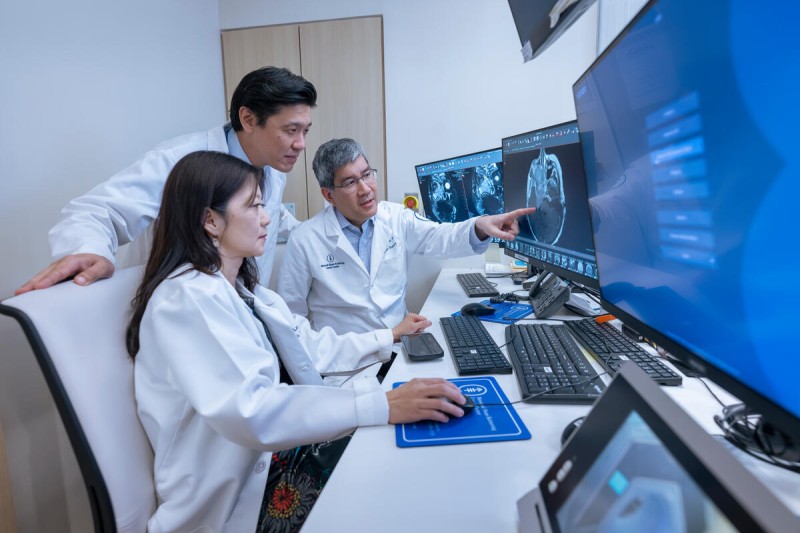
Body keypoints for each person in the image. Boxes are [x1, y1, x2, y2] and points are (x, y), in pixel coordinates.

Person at [127, 151, 466, 533]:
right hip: (240, 497)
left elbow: (313, 346)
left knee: (414, 441)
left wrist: (388, 338)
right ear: (210, 220)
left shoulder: (245, 293)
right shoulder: (187, 299)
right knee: (398, 483)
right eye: (254, 206)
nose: (267, 217)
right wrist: (380, 405)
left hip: (269, 457)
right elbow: (253, 410)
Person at [16, 66, 314, 295]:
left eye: (305, 131)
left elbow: (270, 214)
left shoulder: (271, 167)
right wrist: (89, 249)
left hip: (239, 308)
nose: (301, 144)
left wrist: (318, 232)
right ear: (248, 119)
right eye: (290, 130)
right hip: (183, 310)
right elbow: (96, 211)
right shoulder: (177, 161)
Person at [277, 138, 534, 379]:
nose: (366, 189)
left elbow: (439, 236)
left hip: (402, 350)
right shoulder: (305, 239)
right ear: (328, 194)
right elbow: (291, 325)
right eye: (350, 182)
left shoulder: (396, 217)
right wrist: (387, 336)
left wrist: (480, 225)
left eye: (367, 174)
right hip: (345, 368)